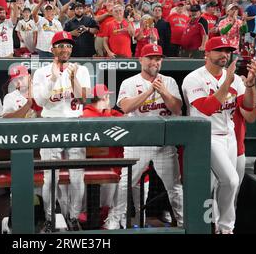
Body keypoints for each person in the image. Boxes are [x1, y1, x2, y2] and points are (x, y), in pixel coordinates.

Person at [182, 36, 256, 234]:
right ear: (206, 53)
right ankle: (224, 228)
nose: (225, 54)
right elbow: (207, 107)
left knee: (224, 185)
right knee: (230, 180)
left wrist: (250, 85)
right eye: (219, 50)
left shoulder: (233, 77)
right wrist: (227, 81)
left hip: (229, 135)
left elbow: (249, 106)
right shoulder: (194, 78)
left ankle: (220, 228)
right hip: (205, 135)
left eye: (227, 51)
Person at [104, 44, 184, 230]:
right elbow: (125, 107)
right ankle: (114, 219)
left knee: (174, 187)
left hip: (163, 143)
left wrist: (163, 91)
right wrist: (149, 92)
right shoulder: (130, 83)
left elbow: (177, 109)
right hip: (138, 142)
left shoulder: (169, 81)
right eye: (150, 58)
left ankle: (183, 221)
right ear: (141, 60)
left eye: (158, 58)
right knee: (125, 183)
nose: (155, 62)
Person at [32, 31, 91, 232]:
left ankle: (73, 218)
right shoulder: (41, 72)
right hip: (51, 125)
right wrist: (53, 79)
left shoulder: (81, 70)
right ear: (52, 49)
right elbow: (39, 102)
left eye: (68, 45)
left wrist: (73, 78)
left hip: (75, 125)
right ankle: (49, 219)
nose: (65, 49)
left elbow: (85, 99)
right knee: (50, 177)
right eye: (60, 45)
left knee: (77, 176)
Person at [82, 84, 124, 219]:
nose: (109, 99)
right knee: (99, 205)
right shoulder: (86, 114)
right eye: (107, 96)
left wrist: (109, 113)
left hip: (115, 164)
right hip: (97, 167)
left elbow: (125, 120)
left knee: (114, 202)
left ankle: (112, 219)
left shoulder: (110, 112)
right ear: (103, 97)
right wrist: (108, 114)